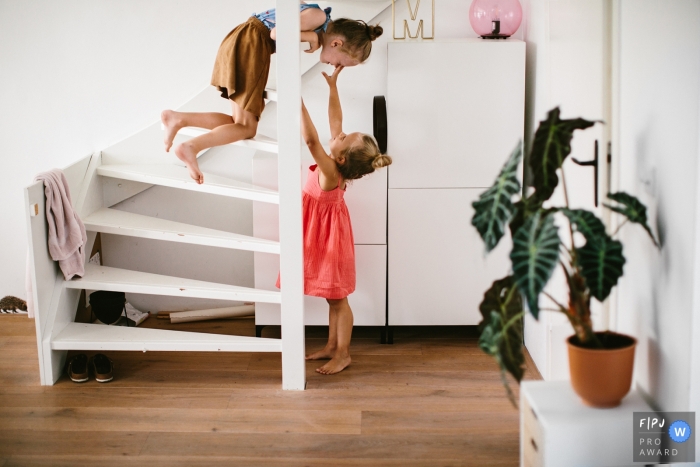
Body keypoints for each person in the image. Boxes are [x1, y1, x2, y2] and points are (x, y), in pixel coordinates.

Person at [161, 3, 383, 184]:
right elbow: (277, 32)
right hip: (252, 45)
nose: (335, 66)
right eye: (340, 63)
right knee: (247, 128)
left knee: (239, 124)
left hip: (247, 42)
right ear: (336, 43)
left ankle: (178, 119)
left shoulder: (316, 16)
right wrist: (311, 37)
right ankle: (190, 146)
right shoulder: (317, 18)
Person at [279, 66, 391, 375]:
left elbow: (313, 141)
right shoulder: (338, 164)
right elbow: (335, 120)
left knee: (339, 300)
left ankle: (343, 353)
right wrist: (332, 87)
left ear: (341, 158)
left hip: (330, 241)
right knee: (333, 299)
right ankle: (331, 345)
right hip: (323, 235)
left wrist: (297, 102)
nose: (339, 133)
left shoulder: (329, 172)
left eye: (343, 138)